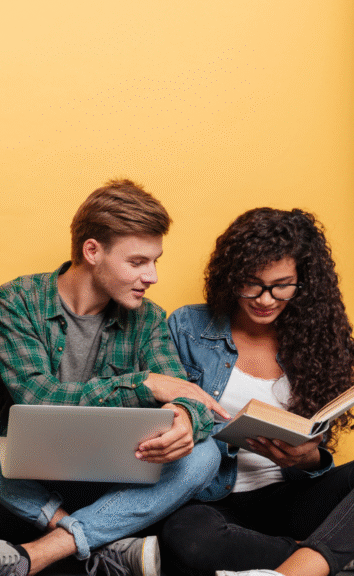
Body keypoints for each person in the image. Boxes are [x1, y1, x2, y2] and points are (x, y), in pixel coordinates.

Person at [0, 179, 227, 576]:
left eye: (155, 261)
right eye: (137, 262)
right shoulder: (16, 300)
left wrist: (184, 416)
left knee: (205, 454)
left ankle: (50, 548)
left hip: (111, 490)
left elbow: (185, 395)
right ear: (92, 251)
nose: (151, 276)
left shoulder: (148, 318)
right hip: (21, 485)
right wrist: (143, 384)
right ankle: (91, 542)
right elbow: (37, 397)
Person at [161, 208, 354, 576]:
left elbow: (314, 445)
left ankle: (296, 565)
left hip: (292, 497)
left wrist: (306, 459)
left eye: (282, 285)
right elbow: (166, 422)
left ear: (304, 282)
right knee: (188, 538)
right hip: (213, 502)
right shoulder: (188, 327)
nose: (265, 299)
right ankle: (322, 555)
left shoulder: (316, 339)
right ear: (230, 277)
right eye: (251, 283)